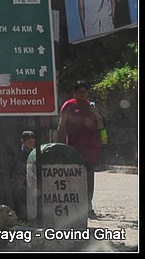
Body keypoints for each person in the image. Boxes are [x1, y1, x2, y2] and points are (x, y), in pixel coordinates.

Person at [57, 80, 104, 218]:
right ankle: (74, 207)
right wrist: (60, 146)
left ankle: (88, 207)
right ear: (75, 92)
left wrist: (97, 115)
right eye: (80, 92)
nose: (82, 95)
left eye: (85, 92)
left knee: (89, 179)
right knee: (73, 178)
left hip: (91, 149)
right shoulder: (69, 105)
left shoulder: (92, 107)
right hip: (74, 148)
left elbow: (101, 126)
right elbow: (61, 126)